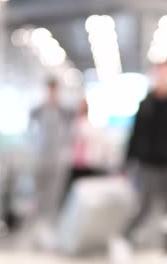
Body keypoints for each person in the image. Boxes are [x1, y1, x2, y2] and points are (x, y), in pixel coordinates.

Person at [121, 62, 167, 254]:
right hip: (148, 163)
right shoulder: (146, 103)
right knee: (145, 205)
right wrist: (128, 160)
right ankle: (126, 235)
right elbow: (136, 133)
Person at [28, 78, 73, 247]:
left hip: (57, 161)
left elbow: (69, 135)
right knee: (39, 195)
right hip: (40, 159)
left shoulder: (64, 111)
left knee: (54, 196)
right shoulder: (39, 110)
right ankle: (36, 230)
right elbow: (31, 132)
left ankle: (51, 229)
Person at [60, 98, 112, 208]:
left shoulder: (89, 126)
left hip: (86, 164)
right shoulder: (73, 125)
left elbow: (96, 144)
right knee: (71, 191)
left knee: (83, 192)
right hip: (74, 163)